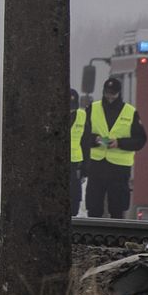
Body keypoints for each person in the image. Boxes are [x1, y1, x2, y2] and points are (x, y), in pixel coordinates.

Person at [82, 76, 148, 219]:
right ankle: (93, 238)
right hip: (97, 165)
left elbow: (140, 140)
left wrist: (119, 143)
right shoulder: (92, 109)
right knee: (94, 207)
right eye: (107, 93)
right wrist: (95, 139)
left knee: (117, 208)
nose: (110, 97)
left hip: (119, 169)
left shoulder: (130, 112)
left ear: (119, 93)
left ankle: (116, 239)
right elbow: (82, 135)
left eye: (113, 93)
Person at [68, 88, 86, 216]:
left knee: (74, 197)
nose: (71, 110)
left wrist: (85, 167)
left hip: (75, 164)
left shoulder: (82, 115)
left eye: (73, 107)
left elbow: (86, 142)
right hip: (55, 163)